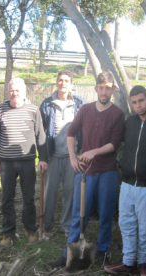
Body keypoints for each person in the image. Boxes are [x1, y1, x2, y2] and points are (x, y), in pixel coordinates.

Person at [47, 70, 125, 268]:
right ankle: (68, 254)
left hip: (107, 172)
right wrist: (73, 157)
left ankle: (102, 253)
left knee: (106, 215)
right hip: (85, 173)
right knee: (79, 215)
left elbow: (114, 144)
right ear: (96, 88)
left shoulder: (117, 114)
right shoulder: (86, 110)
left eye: (108, 88)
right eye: (101, 87)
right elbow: (71, 133)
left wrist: (93, 152)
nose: (104, 91)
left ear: (113, 90)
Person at [104, 86, 146, 276]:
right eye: (134, 102)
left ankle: (143, 263)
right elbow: (112, 140)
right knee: (126, 223)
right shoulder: (129, 123)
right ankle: (128, 262)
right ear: (131, 103)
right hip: (128, 183)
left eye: (141, 100)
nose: (138, 105)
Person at [0, 78, 48, 247]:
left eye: (17, 90)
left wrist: (43, 158)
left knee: (28, 197)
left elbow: (41, 136)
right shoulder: (0, 110)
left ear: (24, 93)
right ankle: (8, 233)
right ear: (8, 92)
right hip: (7, 162)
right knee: (6, 198)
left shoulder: (33, 110)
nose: (14, 93)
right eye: (11, 90)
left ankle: (30, 230)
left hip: (27, 162)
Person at [39, 70, 87, 238]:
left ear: (71, 84)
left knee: (70, 191)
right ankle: (47, 225)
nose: (63, 83)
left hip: (71, 156)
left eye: (66, 80)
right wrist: (42, 157)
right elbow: (40, 132)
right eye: (60, 80)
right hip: (53, 155)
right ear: (56, 82)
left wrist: (82, 152)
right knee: (49, 192)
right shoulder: (47, 104)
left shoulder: (80, 104)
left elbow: (85, 129)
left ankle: (66, 225)